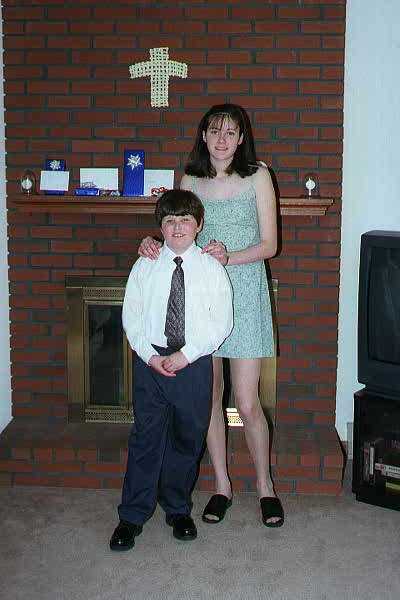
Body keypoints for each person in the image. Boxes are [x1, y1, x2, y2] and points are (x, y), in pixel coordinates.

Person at [138, 103, 284, 528]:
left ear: (241, 139)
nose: (222, 139)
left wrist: (229, 257)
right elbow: (175, 232)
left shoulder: (258, 176)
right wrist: (151, 243)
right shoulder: (189, 180)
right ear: (203, 136)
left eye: (230, 132)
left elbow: (271, 245)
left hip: (245, 295)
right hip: (201, 299)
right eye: (214, 131)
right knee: (210, 397)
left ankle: (266, 487)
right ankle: (222, 486)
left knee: (247, 402)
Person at [109, 189, 233, 551]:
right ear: (160, 226)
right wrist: (150, 356)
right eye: (169, 220)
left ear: (199, 225)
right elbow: (131, 316)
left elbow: (221, 323)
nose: (177, 227)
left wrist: (186, 355)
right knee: (146, 437)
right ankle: (132, 515)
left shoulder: (212, 269)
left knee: (187, 438)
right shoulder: (145, 265)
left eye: (185, 220)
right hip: (150, 362)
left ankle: (177, 508)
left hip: (193, 364)